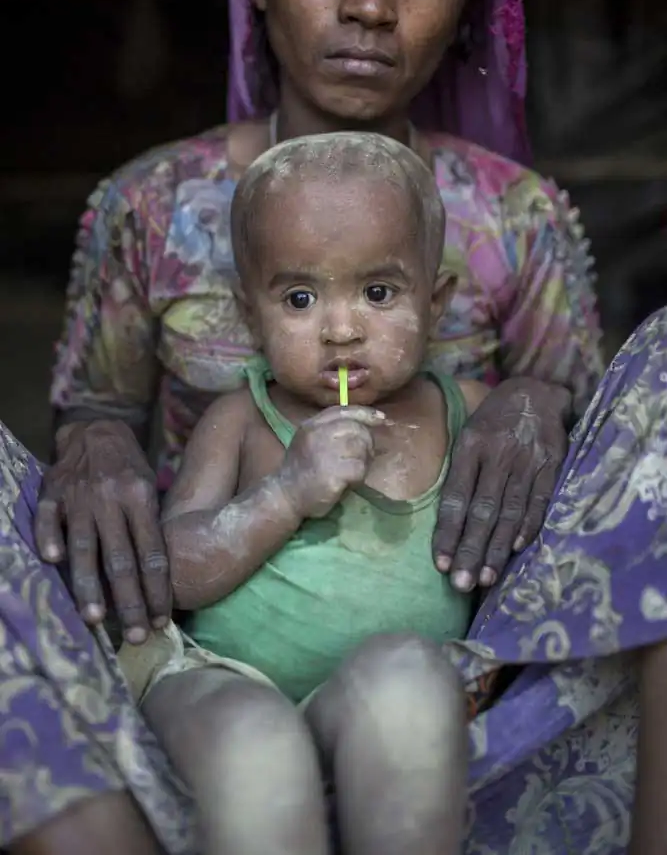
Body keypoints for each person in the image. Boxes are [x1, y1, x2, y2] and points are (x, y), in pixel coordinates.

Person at [0, 0, 606, 850]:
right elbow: (94, 405)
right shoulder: (150, 204)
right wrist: (96, 438)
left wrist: (536, 398)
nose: (369, 2)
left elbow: (603, 445)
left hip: (441, 684)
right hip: (211, 653)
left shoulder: (515, 219)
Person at [119, 131, 481, 855]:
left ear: (434, 303)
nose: (341, 330)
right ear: (250, 314)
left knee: (410, 680)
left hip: (353, 703)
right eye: (300, 297)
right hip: (218, 678)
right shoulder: (243, 419)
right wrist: (284, 492)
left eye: (378, 293)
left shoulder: (468, 413)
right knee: (255, 745)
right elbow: (173, 571)